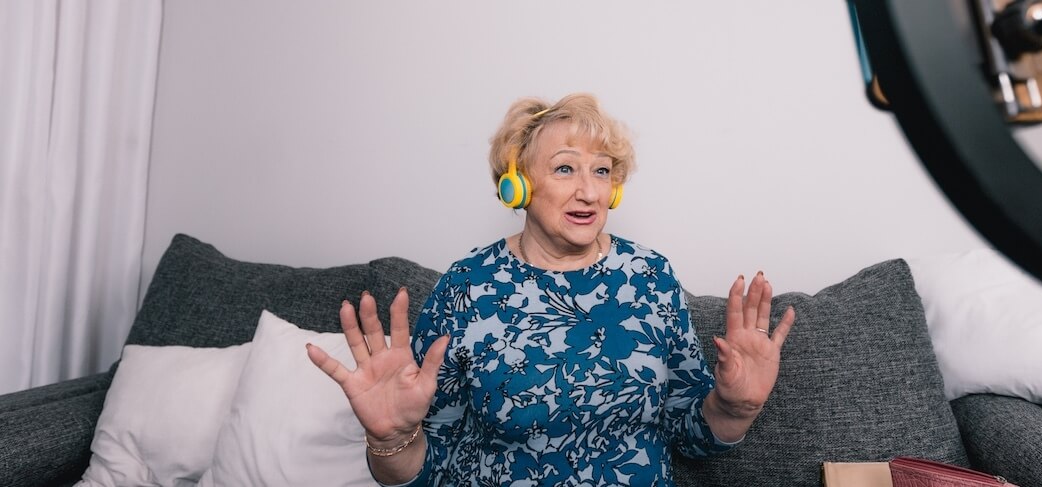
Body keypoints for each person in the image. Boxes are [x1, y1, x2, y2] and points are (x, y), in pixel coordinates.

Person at [306, 93, 795, 486]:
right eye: (565, 168)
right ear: (516, 185)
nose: (589, 190)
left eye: (601, 170)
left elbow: (689, 437)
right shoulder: (467, 287)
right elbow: (428, 469)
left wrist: (733, 408)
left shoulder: (650, 276)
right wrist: (392, 438)